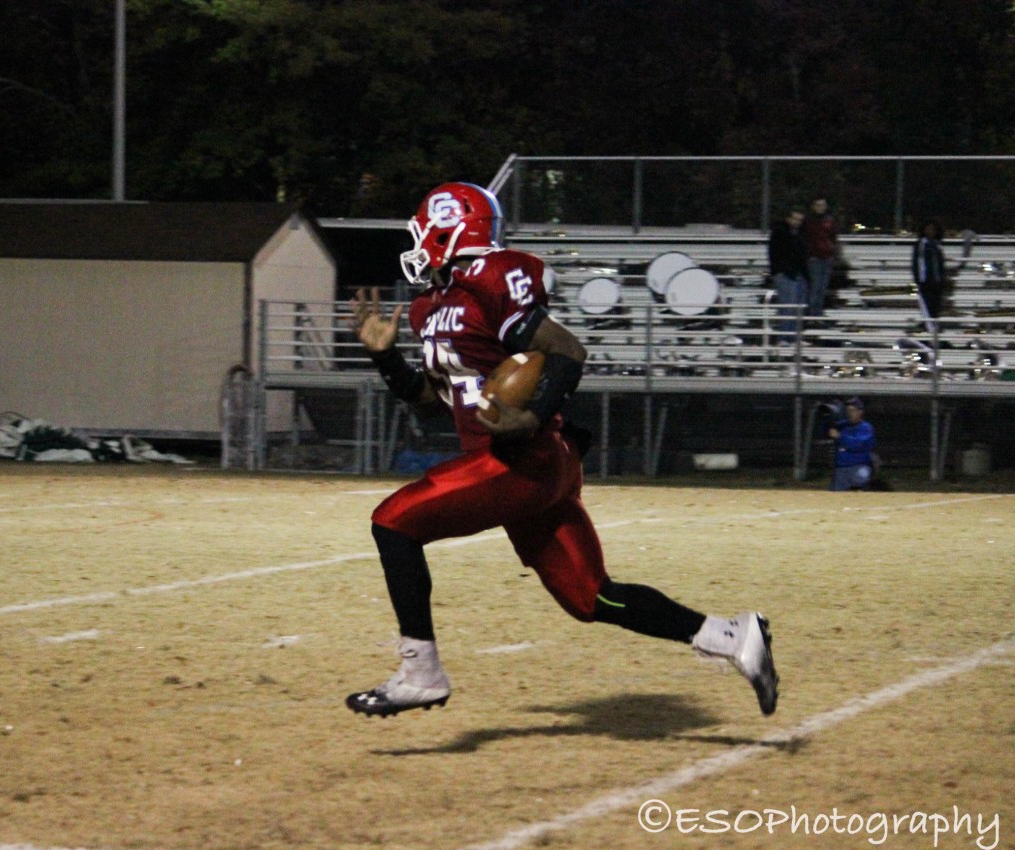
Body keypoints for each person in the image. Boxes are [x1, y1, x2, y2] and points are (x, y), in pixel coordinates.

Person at [345, 182, 779, 718]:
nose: (416, 241)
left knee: (393, 522)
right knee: (591, 597)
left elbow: (566, 349)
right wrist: (386, 360)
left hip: (523, 461)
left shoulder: (493, 275)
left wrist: (528, 416)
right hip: (514, 472)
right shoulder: (427, 309)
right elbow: (434, 400)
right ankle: (734, 636)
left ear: (449, 228)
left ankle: (420, 671)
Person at [768, 208, 809, 342]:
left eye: (800, 220)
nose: (797, 222)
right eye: (795, 219)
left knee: (798, 308)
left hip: (798, 274)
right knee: (788, 306)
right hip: (786, 274)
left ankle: (794, 337)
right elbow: (778, 254)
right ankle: (785, 337)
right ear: (788, 218)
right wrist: (780, 271)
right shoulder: (780, 232)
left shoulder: (799, 233)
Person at [827, 397, 877, 491]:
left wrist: (840, 437)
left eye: (853, 410)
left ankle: (859, 490)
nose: (850, 413)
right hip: (841, 469)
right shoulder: (842, 425)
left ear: (860, 412)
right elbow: (824, 432)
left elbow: (858, 445)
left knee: (861, 477)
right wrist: (829, 418)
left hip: (859, 466)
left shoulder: (866, 428)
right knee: (834, 493)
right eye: (848, 410)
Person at [803, 196, 837, 317]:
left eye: (822, 205)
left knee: (822, 288)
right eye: (818, 205)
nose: (820, 208)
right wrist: (809, 255)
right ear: (813, 207)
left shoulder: (829, 220)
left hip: (827, 258)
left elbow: (833, 238)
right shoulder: (808, 221)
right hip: (814, 259)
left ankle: (818, 312)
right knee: (815, 287)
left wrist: (832, 254)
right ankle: (813, 314)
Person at [912, 219, 947, 320]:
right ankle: (927, 326)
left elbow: (940, 264)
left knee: (935, 306)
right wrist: (917, 279)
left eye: (933, 229)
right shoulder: (920, 244)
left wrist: (942, 278)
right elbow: (916, 263)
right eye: (928, 229)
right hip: (925, 280)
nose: (930, 232)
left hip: (937, 280)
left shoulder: (938, 245)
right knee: (926, 305)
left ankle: (934, 327)